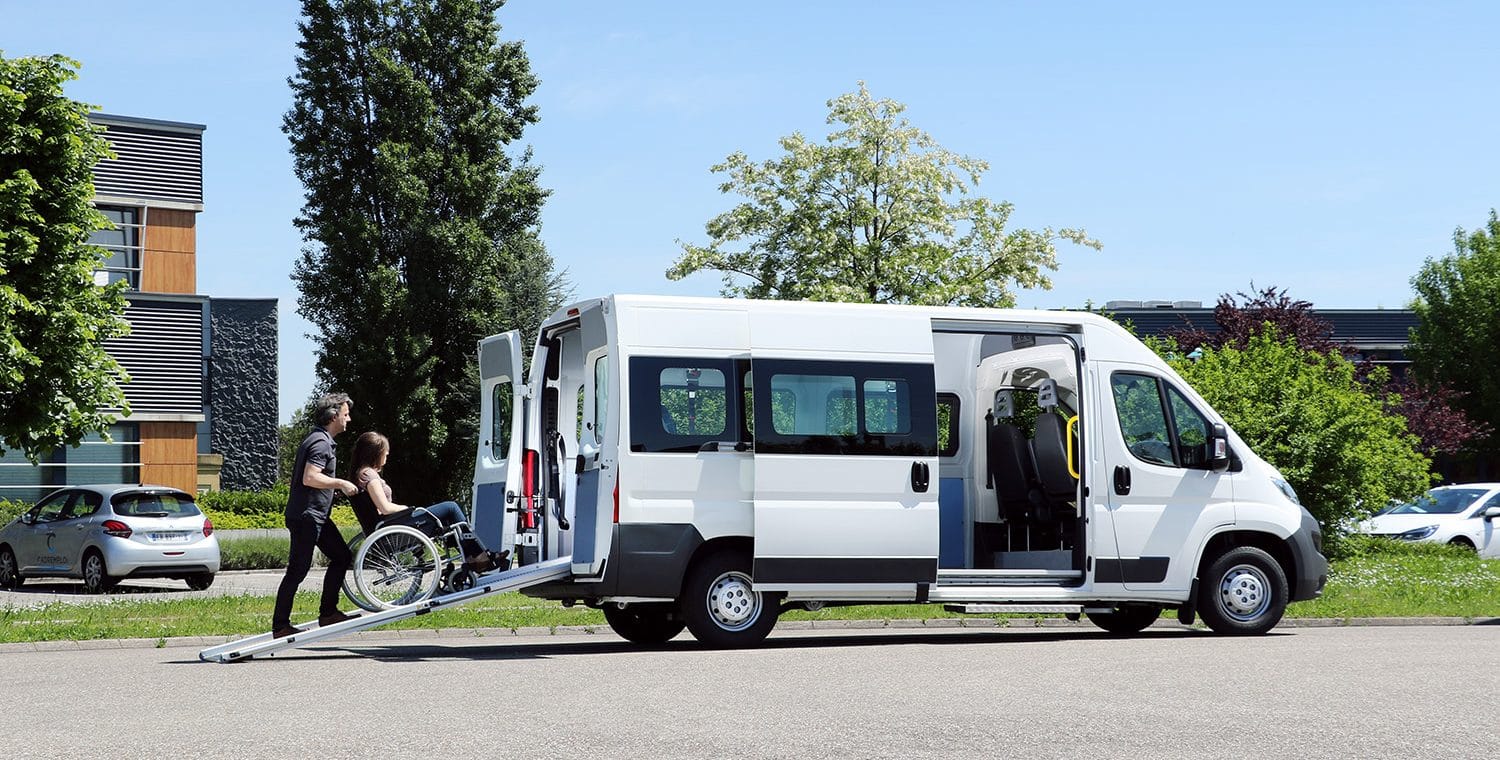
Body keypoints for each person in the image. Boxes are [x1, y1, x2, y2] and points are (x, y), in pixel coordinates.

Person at [348, 431, 506, 573]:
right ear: (376, 453)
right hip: (392, 528)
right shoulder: (369, 476)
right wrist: (406, 508)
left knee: (448, 521)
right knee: (451, 508)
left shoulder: (360, 474)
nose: (387, 457)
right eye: (386, 454)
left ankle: (474, 556)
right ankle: (479, 556)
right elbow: (384, 507)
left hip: (389, 527)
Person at [271, 393, 361, 639]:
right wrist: (340, 483)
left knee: (342, 556)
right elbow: (310, 477)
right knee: (298, 570)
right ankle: (280, 626)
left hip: (315, 516)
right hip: (306, 517)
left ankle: (328, 613)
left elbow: (314, 481)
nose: (348, 419)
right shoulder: (320, 443)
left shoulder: (320, 440)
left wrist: (334, 489)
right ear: (333, 416)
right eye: (345, 414)